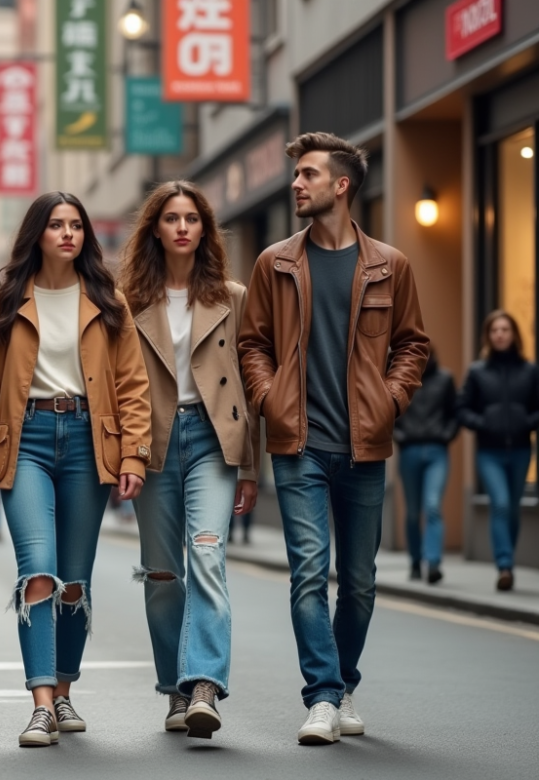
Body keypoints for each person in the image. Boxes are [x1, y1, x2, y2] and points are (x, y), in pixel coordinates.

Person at [239, 132, 428, 745]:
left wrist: (391, 400)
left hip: (364, 444)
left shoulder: (389, 265)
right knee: (308, 573)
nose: (296, 183)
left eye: (308, 175)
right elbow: (253, 344)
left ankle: (343, 683)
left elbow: (412, 344)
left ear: (340, 186)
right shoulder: (275, 262)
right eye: (297, 175)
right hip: (298, 444)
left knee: (361, 581)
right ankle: (321, 696)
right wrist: (268, 399)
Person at [0, 192, 152, 748]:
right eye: (55, 225)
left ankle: (66, 691)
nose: (67, 234)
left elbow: (132, 385)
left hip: (89, 442)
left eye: (75, 226)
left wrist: (133, 454)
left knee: (74, 582)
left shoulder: (106, 300)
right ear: (37, 235)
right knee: (38, 570)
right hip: (24, 442)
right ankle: (42, 702)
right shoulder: (6, 303)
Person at [117, 181, 259, 740]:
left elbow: (248, 388)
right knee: (161, 573)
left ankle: (202, 683)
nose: (182, 227)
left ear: (204, 230)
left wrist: (249, 467)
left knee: (207, 552)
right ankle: (174, 690)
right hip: (153, 442)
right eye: (171, 218)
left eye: (192, 218)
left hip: (212, 440)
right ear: (155, 228)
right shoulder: (128, 302)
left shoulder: (233, 296)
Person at [457, 311, 539, 592]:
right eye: (495, 330)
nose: (500, 334)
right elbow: (462, 409)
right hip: (489, 452)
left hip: (519, 450)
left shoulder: (530, 371)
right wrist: (484, 423)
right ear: (489, 336)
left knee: (513, 509)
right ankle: (505, 565)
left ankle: (507, 561)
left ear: (514, 334)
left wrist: (526, 423)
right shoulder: (478, 372)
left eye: (505, 329)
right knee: (501, 504)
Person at [394, 347, 458, 584]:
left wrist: (446, 435)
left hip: (436, 451)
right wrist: (399, 435)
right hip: (409, 450)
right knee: (412, 512)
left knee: (432, 506)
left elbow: (455, 413)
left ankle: (433, 563)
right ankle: (414, 560)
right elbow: (389, 411)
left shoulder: (445, 379)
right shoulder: (402, 379)